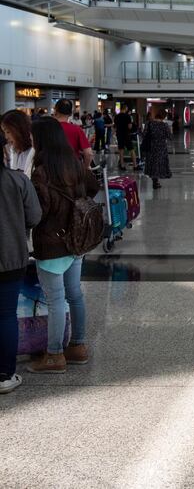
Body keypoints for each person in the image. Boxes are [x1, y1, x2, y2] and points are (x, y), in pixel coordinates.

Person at [28, 118, 99, 373]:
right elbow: (93, 186)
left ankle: (55, 354)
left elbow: (38, 212)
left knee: (55, 298)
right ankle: (77, 347)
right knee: (74, 293)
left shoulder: (42, 171)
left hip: (51, 242)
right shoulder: (75, 163)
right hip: (76, 238)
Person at [0, 110, 42, 394]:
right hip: (10, 256)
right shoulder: (16, 181)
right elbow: (34, 216)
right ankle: (5, 375)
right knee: (5, 315)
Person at [52, 99, 92, 169]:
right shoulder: (77, 129)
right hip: (72, 169)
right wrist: (86, 167)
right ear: (71, 113)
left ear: (55, 111)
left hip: (52, 169)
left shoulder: (47, 128)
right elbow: (88, 153)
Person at [143, 110, 172, 190]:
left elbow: (144, 134)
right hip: (161, 147)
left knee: (152, 163)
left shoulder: (148, 124)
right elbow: (170, 137)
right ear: (162, 118)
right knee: (158, 164)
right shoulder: (164, 125)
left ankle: (155, 180)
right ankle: (156, 181)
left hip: (151, 147)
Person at [2, 111, 35, 177]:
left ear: (20, 130)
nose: (6, 137)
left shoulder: (35, 151)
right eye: (4, 132)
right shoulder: (12, 150)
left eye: (8, 132)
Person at [113, 105, 139, 171]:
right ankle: (135, 166)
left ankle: (122, 165)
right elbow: (130, 126)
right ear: (125, 108)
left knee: (121, 150)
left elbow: (115, 126)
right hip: (126, 135)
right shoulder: (127, 116)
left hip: (119, 135)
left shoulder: (116, 116)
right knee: (131, 150)